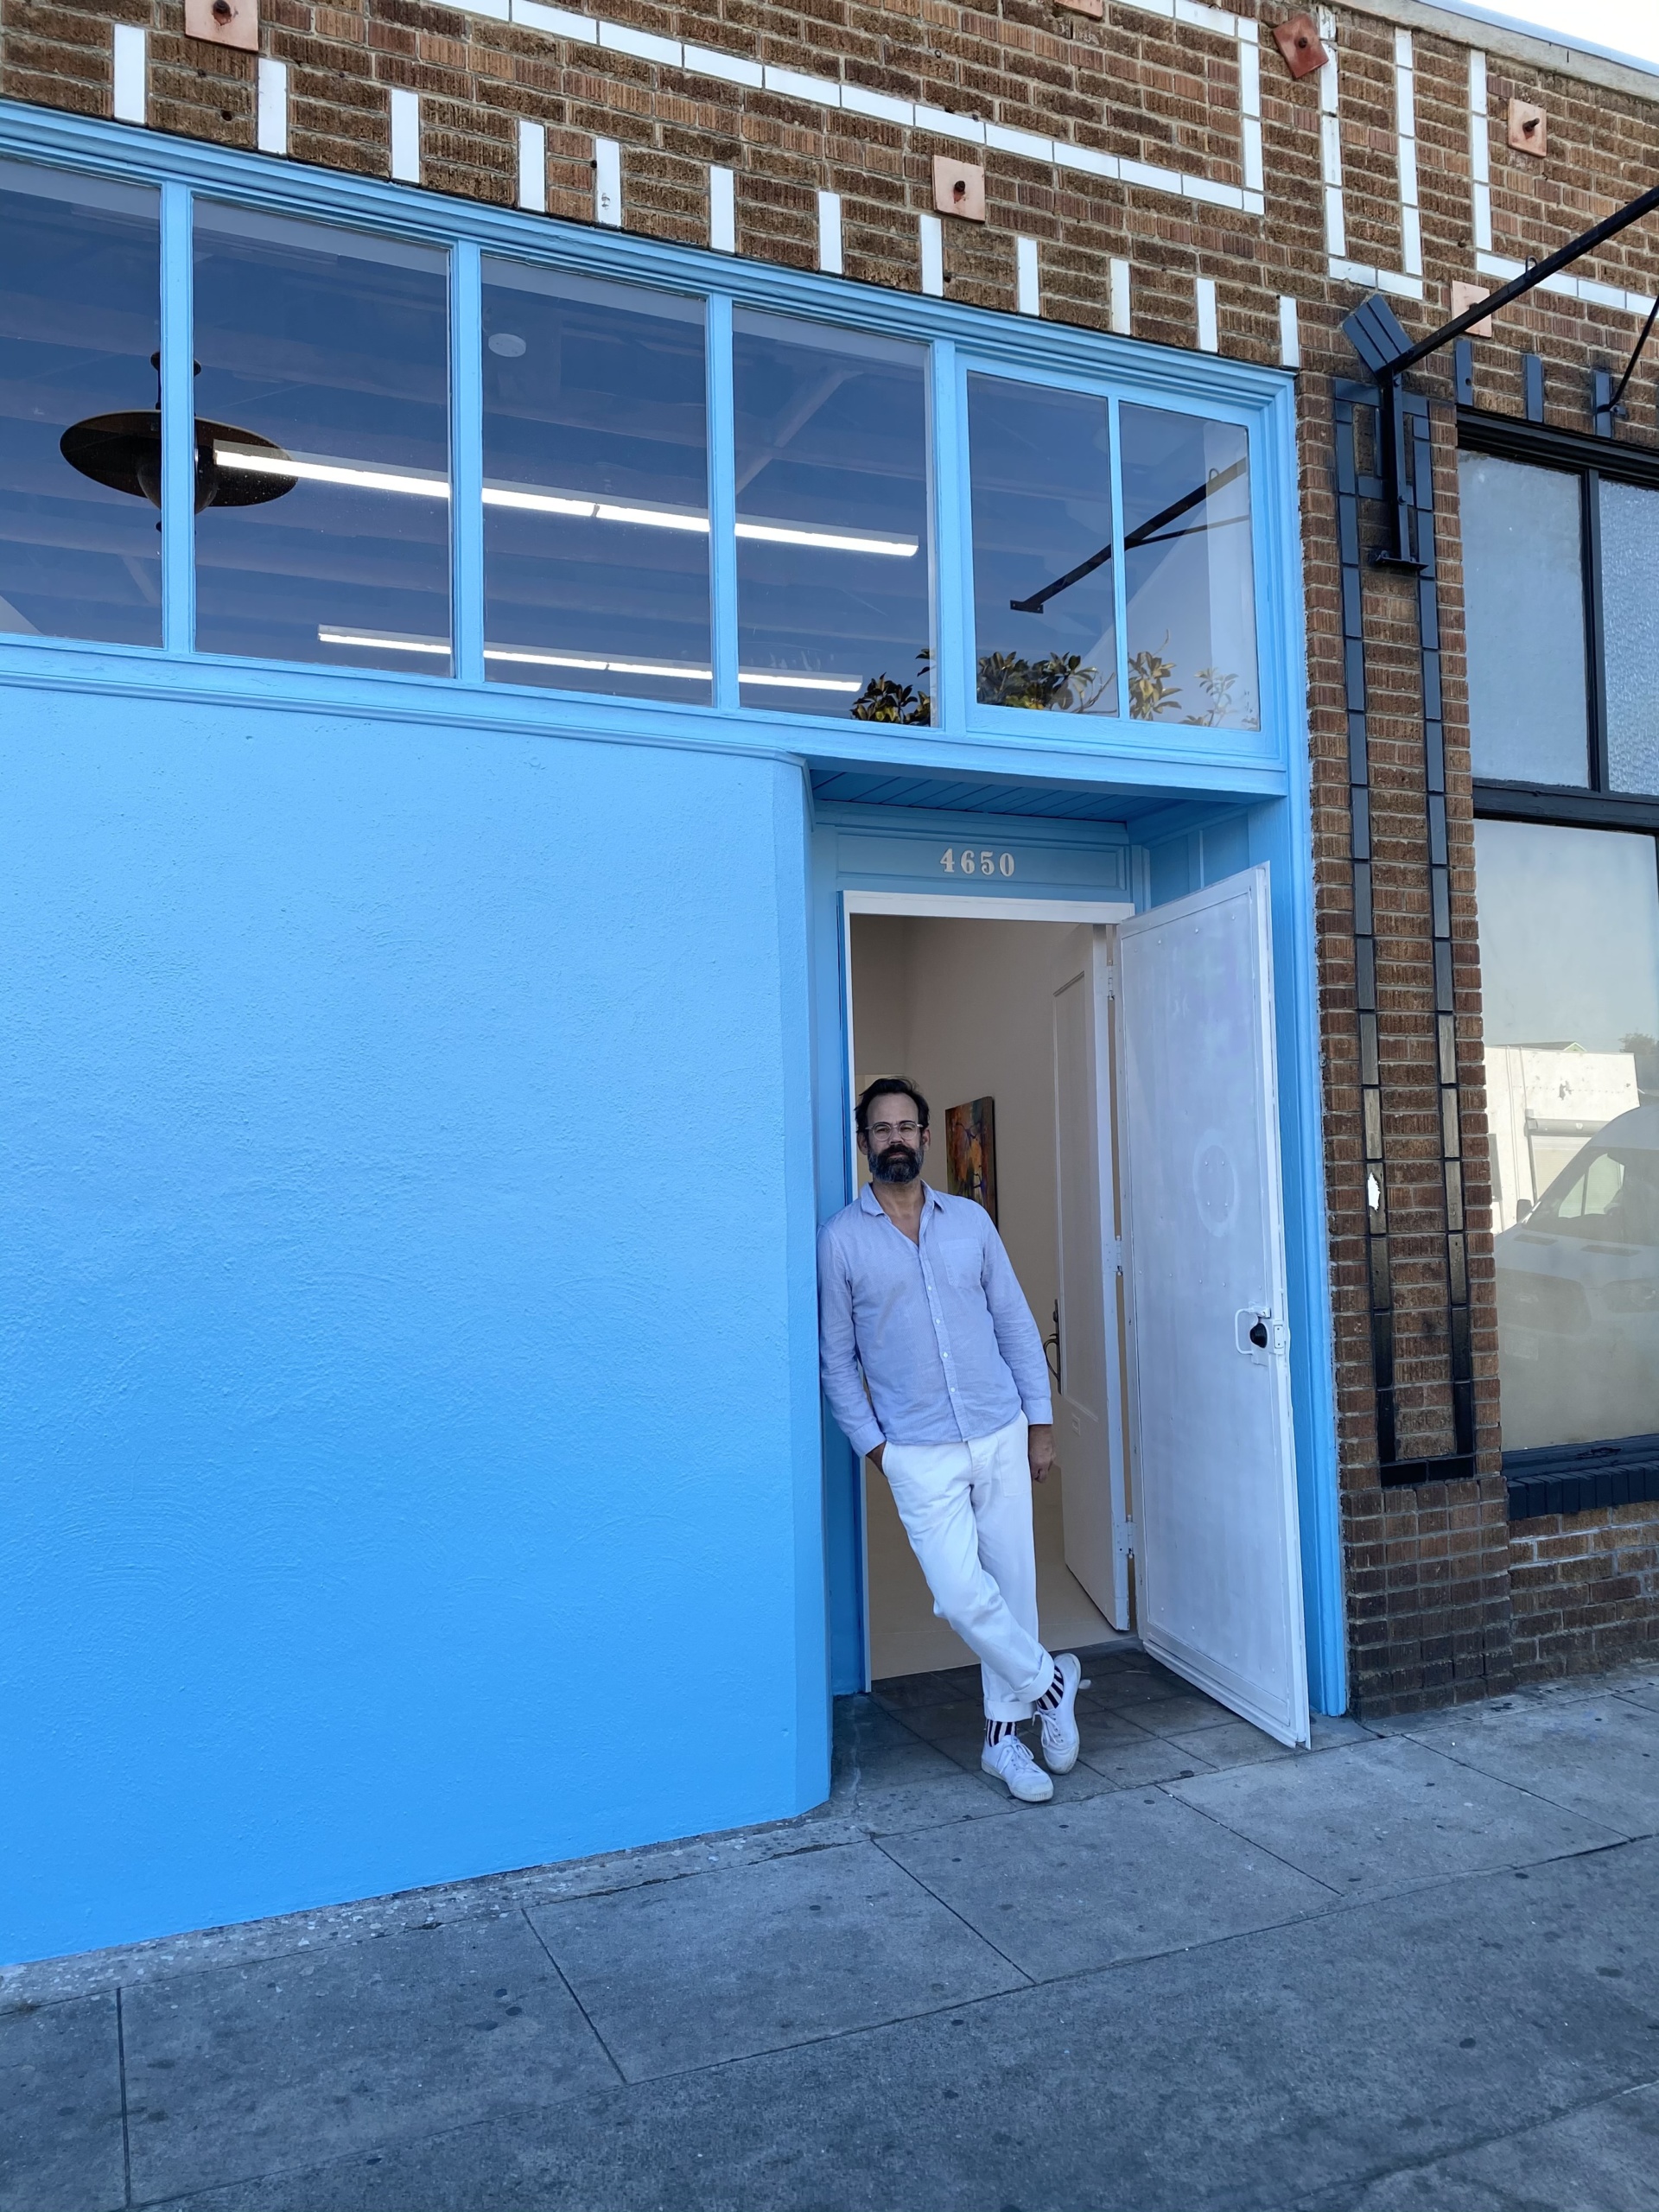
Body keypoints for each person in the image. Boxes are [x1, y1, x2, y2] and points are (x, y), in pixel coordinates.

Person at [817, 1076, 1083, 1803]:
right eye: (881, 1129)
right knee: (964, 1596)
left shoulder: (971, 1223)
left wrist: (1040, 1425)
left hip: (997, 1430)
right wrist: (876, 1447)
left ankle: (1006, 1739)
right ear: (865, 1142)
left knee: (1014, 1593)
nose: (895, 1138)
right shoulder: (840, 1242)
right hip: (918, 1450)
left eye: (907, 1126)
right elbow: (836, 1361)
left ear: (927, 1139)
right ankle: (1052, 1684)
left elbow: (1017, 1327)